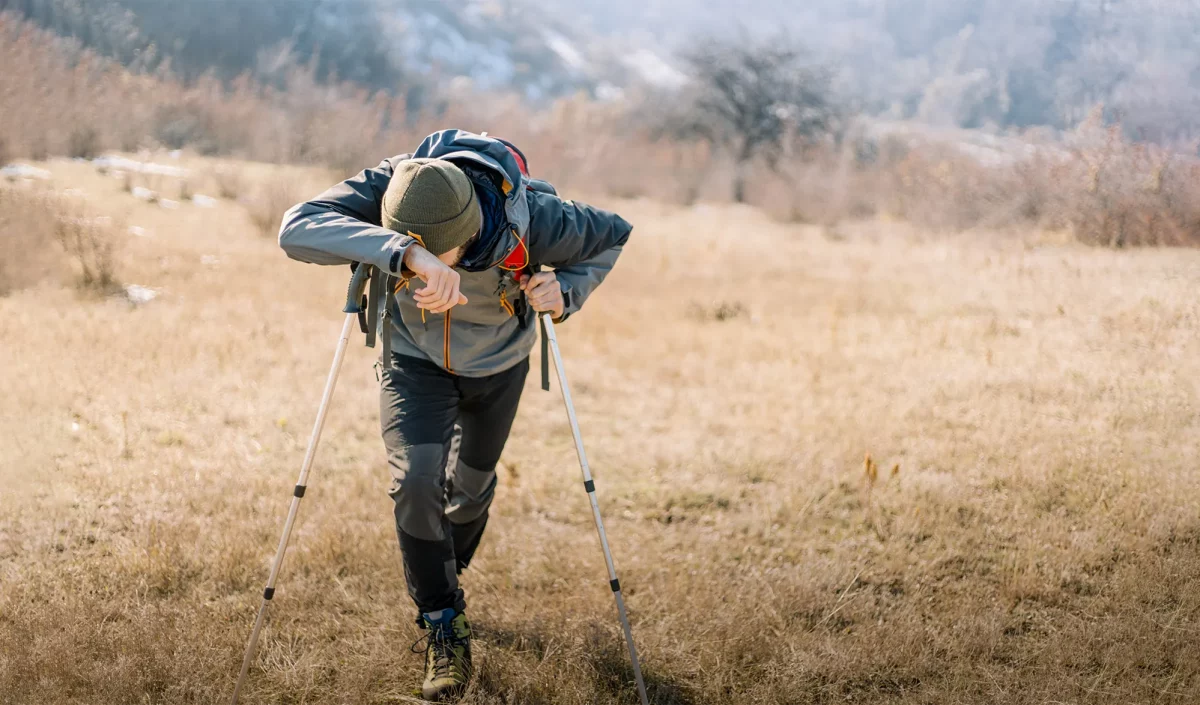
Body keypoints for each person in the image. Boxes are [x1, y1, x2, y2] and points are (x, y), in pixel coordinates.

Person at [278, 129, 632, 701]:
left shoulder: (538, 218)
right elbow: (296, 228)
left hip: (499, 366)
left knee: (469, 491)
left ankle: (444, 574)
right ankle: (444, 623)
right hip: (413, 360)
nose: (422, 264)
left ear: (468, 237)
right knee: (417, 484)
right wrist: (406, 253)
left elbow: (613, 235)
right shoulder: (398, 187)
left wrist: (566, 289)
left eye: (431, 250)